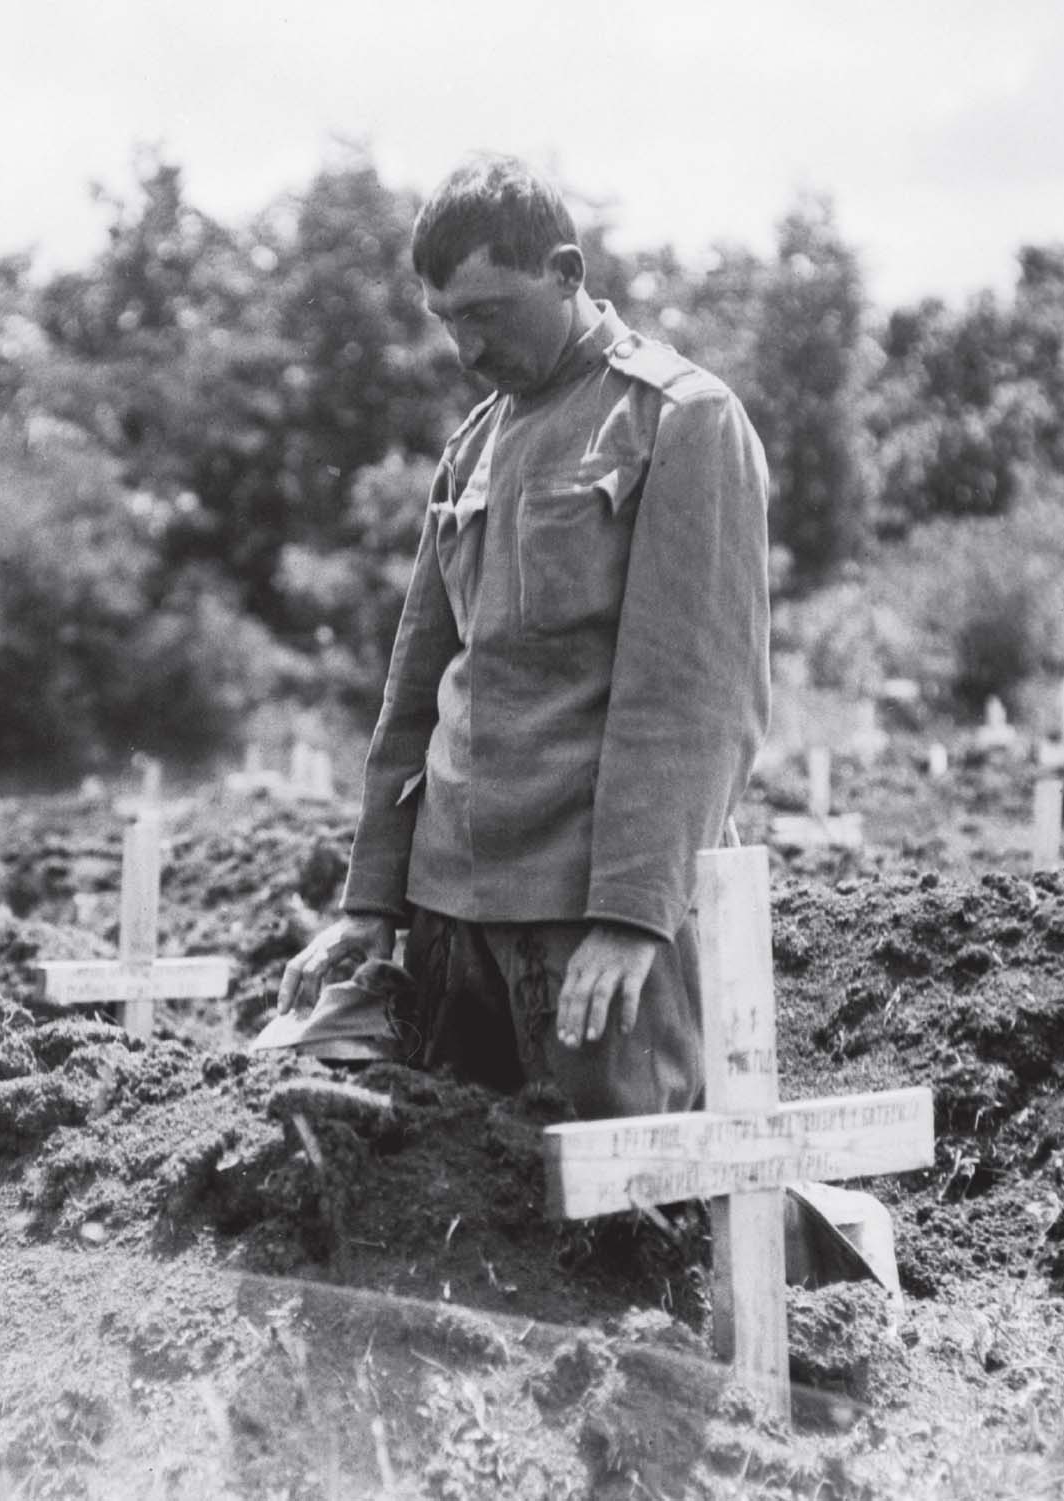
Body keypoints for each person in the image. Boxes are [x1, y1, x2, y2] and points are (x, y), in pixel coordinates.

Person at [277, 154, 770, 1123]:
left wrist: (632, 917)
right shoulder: (471, 443)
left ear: (566, 271)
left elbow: (693, 695)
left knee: (624, 1208)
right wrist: (369, 903)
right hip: (449, 912)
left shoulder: (676, 419)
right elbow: (415, 687)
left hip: (584, 916)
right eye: (444, 319)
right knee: (460, 1211)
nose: (465, 346)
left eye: (488, 312)